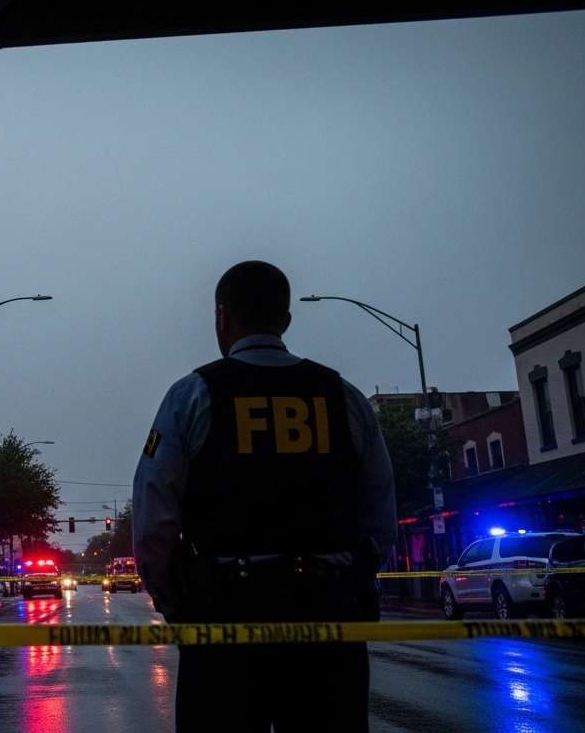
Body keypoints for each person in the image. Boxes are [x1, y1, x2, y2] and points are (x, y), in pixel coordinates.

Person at [131, 261, 395, 732]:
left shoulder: (191, 396)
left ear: (221, 318)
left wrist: (176, 603)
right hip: (329, 620)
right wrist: (347, 582)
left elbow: (155, 519)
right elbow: (379, 519)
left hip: (224, 619)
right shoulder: (345, 398)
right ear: (286, 321)